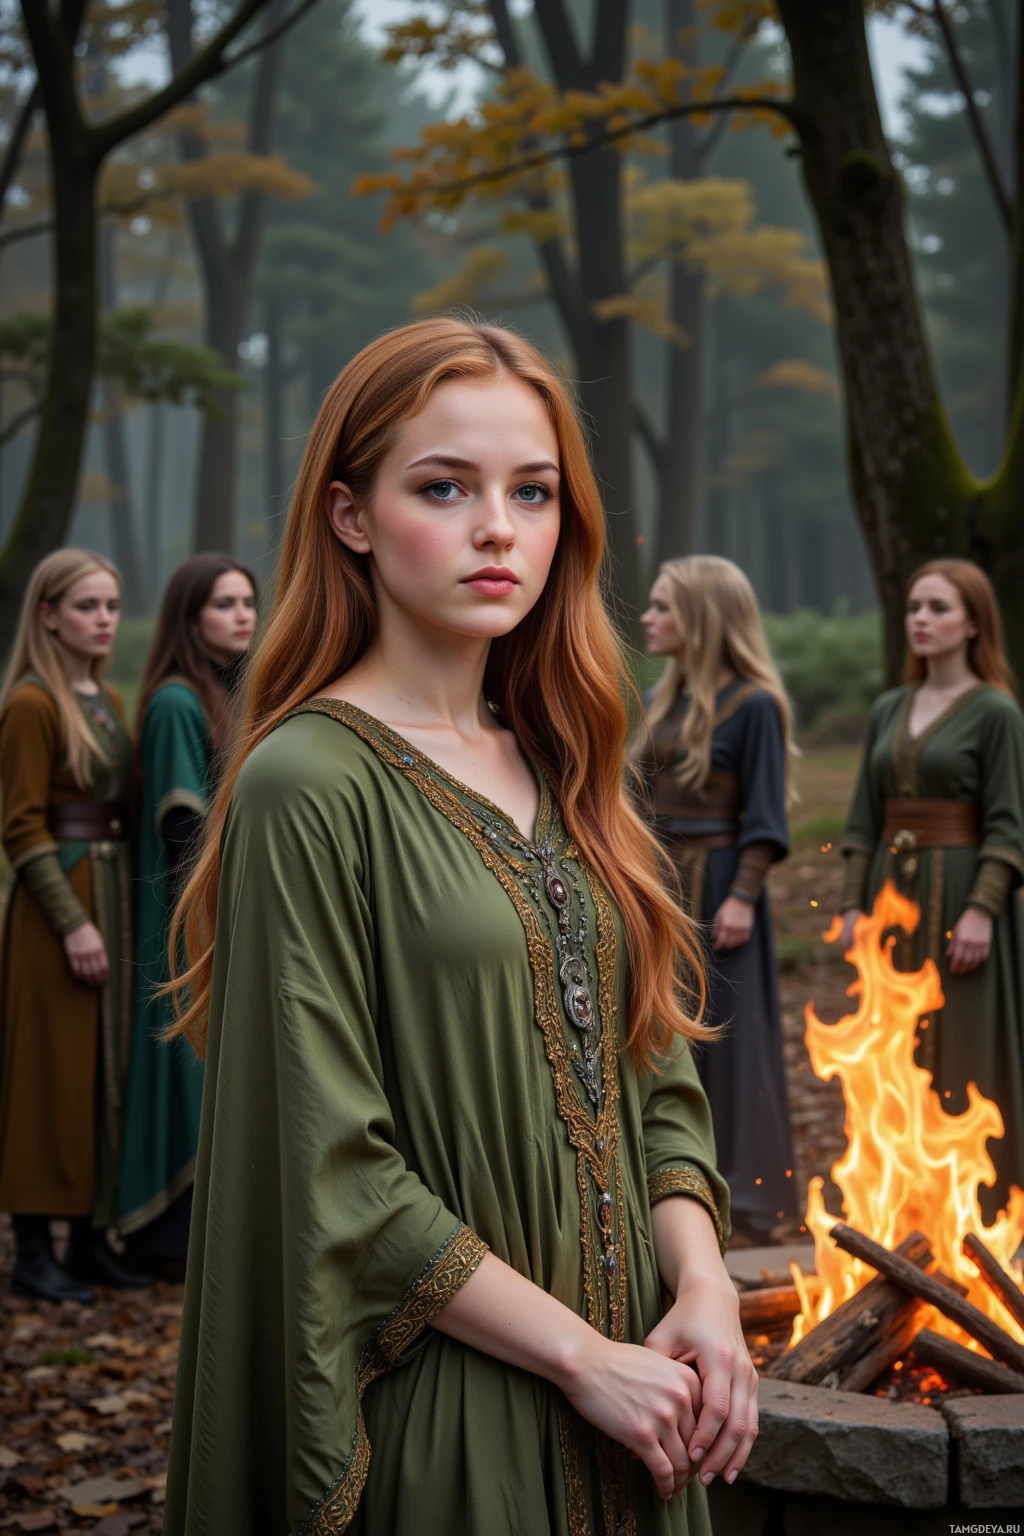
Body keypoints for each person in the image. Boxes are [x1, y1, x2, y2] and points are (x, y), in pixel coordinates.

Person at [163, 319, 757, 1536]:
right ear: (350, 516)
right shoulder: (309, 781)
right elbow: (334, 1159)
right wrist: (575, 1358)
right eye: (445, 486)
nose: (499, 527)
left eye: (531, 492)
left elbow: (649, 1064)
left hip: (648, 1391)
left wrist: (703, 1286)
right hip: (462, 1404)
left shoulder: (565, 755)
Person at [837, 558, 1024, 1223]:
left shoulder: (997, 712)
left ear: (974, 623)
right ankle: (905, 1207)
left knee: (967, 1050)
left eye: (938, 608)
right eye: (914, 606)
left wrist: (983, 909)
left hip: (967, 901)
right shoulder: (891, 707)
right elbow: (863, 817)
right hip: (895, 898)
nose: (920, 618)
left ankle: (986, 1214)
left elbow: (1009, 823)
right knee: (896, 1045)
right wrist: (855, 904)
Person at [634, 556, 798, 1248]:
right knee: (659, 1036)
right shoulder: (656, 703)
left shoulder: (755, 705)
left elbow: (765, 811)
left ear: (701, 617)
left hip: (724, 890)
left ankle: (754, 1202)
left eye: (663, 606)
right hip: (657, 885)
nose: (648, 617)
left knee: (734, 1044)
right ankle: (674, 1187)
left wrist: (742, 894)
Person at [0, 548, 147, 1303]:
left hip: (112, 891)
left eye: (112, 607)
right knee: (49, 1073)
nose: (104, 621)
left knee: (102, 1071)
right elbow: (20, 827)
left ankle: (90, 1238)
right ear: (49, 614)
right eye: (87, 607)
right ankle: (33, 1248)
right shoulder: (31, 703)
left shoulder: (105, 702)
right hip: (59, 910)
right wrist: (71, 922)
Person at [116, 554, 257, 1276]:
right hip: (183, 911)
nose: (243, 616)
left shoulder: (228, 695)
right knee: (182, 1066)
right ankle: (162, 1233)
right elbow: (181, 824)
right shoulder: (177, 700)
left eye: (248, 602)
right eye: (224, 604)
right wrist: (207, 913)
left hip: (211, 904)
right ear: (189, 616)